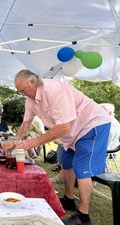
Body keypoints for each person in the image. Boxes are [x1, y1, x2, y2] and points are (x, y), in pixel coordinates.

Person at [14, 70, 111, 225]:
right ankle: (69, 199)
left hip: (91, 123)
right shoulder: (30, 99)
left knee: (81, 167)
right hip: (73, 130)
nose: (22, 94)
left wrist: (33, 142)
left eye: (23, 90)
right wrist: (16, 140)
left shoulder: (53, 89)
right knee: (66, 162)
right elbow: (26, 123)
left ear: (32, 82)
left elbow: (64, 126)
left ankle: (84, 217)